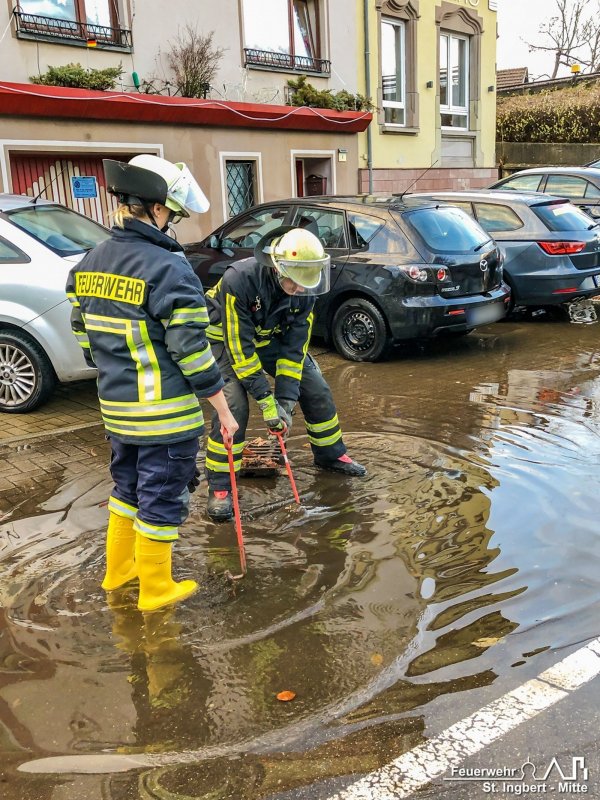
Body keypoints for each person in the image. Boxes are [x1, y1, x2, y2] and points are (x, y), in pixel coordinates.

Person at [66, 154, 238, 612]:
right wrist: (222, 409)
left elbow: (83, 334)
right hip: (164, 417)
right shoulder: (168, 268)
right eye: (173, 214)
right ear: (157, 209)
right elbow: (192, 351)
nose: (174, 223)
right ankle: (157, 590)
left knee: (126, 491)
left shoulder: (91, 260)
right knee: (163, 499)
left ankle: (118, 573)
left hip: (117, 412)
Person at [203, 225, 366, 522]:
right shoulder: (239, 280)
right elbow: (239, 349)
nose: (301, 290)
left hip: (268, 338)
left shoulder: (305, 288)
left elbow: (294, 348)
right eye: (294, 283)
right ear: (277, 268)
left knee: (315, 387)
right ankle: (220, 487)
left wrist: (286, 404)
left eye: (306, 284)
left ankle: (331, 455)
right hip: (223, 339)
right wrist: (266, 402)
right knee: (235, 404)